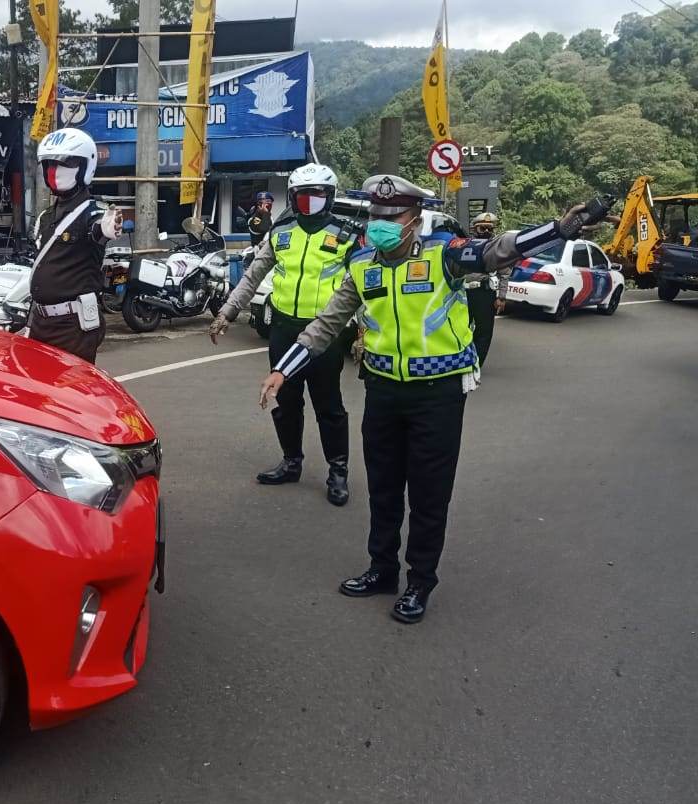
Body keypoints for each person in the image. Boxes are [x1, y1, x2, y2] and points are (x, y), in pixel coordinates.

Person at [258, 174, 605, 623]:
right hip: (382, 390)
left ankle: (420, 580)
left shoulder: (446, 255)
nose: (382, 224)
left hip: (437, 396)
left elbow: (498, 250)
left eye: (393, 217)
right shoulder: (363, 264)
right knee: (383, 488)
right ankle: (381, 569)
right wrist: (283, 369)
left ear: (414, 220)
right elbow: (326, 324)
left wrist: (557, 230)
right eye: (376, 216)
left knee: (427, 492)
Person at [210, 164, 361, 506]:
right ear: (292, 198)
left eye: (317, 195)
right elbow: (252, 276)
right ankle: (291, 460)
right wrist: (227, 312)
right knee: (287, 401)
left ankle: (338, 470)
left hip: (326, 333)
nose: (309, 202)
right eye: (302, 196)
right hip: (283, 328)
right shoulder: (280, 231)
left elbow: (362, 285)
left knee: (329, 406)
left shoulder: (348, 233)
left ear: (330, 196)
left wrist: (362, 330)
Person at [28, 128, 123, 364]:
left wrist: (106, 227)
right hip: (40, 321)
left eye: (65, 163)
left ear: (85, 167)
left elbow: (98, 230)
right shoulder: (46, 217)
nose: (54, 170)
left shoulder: (92, 212)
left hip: (72, 325)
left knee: (70, 393)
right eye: (49, 164)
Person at [463, 212, 508, 366]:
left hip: (484, 292)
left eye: (490, 228)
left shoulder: (496, 248)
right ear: (474, 229)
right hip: (463, 293)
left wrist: (501, 297)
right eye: (483, 228)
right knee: (460, 328)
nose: (487, 232)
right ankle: (459, 360)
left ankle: (476, 363)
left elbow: (504, 273)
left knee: (484, 331)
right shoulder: (464, 245)